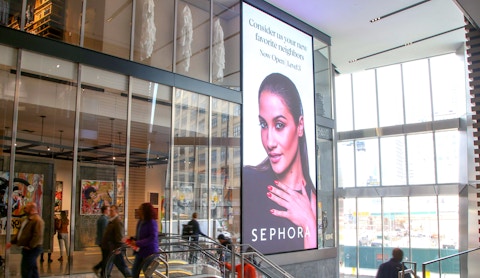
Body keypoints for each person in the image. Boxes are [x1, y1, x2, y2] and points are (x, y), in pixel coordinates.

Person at [243, 72, 317, 254]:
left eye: (279, 125)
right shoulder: (248, 180)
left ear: (300, 126)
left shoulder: (314, 200)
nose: (269, 142)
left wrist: (309, 223)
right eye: (263, 125)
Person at [6, 202, 44, 278]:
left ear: (32, 209)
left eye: (26, 208)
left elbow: (37, 236)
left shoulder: (37, 220)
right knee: (32, 270)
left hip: (32, 249)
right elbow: (21, 232)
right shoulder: (27, 219)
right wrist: (12, 241)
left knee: (26, 269)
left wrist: (30, 246)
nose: (24, 209)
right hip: (27, 248)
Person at [127, 202, 159, 278]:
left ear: (145, 211)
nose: (138, 210)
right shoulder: (140, 221)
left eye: (141, 209)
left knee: (147, 272)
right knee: (135, 270)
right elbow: (139, 235)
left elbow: (152, 237)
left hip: (149, 252)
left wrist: (138, 243)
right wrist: (133, 239)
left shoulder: (152, 222)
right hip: (140, 251)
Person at [101, 205, 131, 277]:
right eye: (110, 210)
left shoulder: (117, 222)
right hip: (110, 248)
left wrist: (118, 248)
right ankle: (106, 275)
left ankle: (130, 276)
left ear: (116, 211)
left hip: (115, 249)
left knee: (122, 266)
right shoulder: (111, 221)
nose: (110, 212)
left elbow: (120, 236)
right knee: (109, 265)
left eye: (112, 211)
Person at [93, 205, 110, 277]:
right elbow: (104, 232)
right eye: (108, 210)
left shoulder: (101, 218)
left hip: (101, 241)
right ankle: (101, 271)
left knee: (105, 257)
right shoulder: (104, 219)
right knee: (106, 258)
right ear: (105, 210)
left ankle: (102, 271)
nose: (109, 211)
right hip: (103, 242)